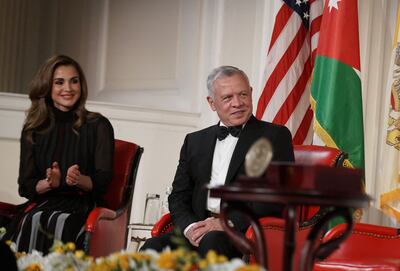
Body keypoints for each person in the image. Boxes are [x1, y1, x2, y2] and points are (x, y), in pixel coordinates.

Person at [141, 65, 294, 258]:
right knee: (151, 248)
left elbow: (275, 196)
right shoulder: (194, 141)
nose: (238, 103)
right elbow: (178, 196)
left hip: (243, 233)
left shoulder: (275, 136)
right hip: (197, 230)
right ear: (212, 103)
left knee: (213, 241)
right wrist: (190, 228)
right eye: (228, 98)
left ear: (251, 93)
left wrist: (226, 222)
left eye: (243, 94)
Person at [0, 55, 114, 254]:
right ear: (47, 87)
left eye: (74, 81)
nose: (68, 88)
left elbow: (103, 182)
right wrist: (48, 184)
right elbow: (26, 185)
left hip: (81, 205)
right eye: (59, 82)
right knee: (33, 218)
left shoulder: (98, 125)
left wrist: (79, 179)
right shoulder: (34, 128)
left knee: (61, 221)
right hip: (44, 202)